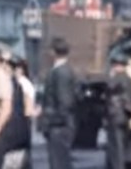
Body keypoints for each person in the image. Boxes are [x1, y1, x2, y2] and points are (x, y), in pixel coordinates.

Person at [39, 38, 78, 169]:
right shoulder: (60, 71)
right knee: (57, 161)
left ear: (53, 52)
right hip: (59, 125)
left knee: (59, 162)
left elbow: (65, 102)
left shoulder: (61, 72)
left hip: (59, 126)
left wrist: (51, 121)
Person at [104, 53, 131, 169]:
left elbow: (109, 88)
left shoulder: (117, 78)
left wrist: (111, 77)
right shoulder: (130, 80)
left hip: (115, 116)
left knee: (115, 149)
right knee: (121, 146)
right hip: (125, 117)